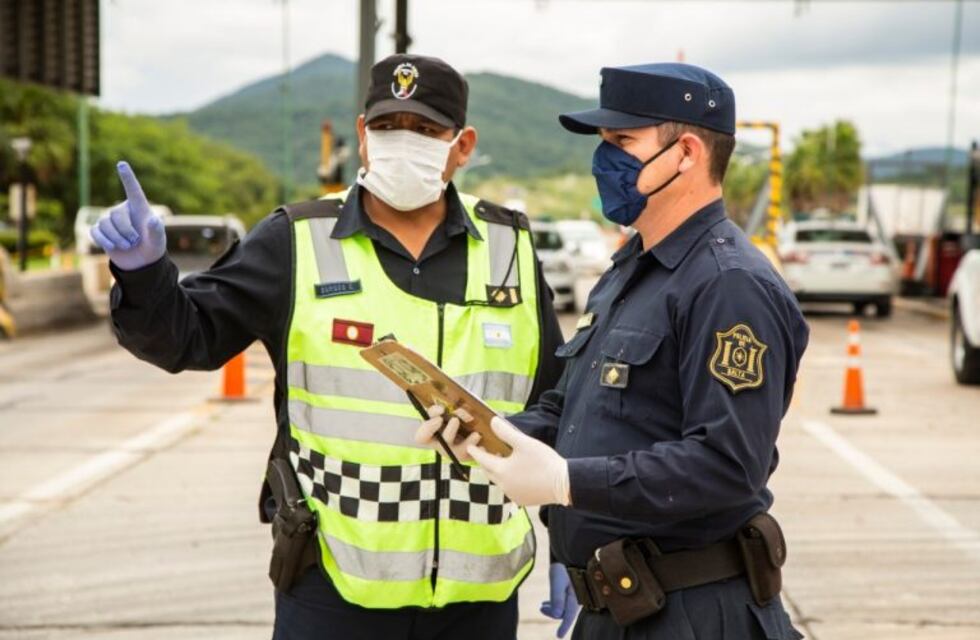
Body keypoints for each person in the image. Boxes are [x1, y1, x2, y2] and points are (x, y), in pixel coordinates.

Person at [90, 53, 567, 640]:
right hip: (333, 589)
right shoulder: (294, 239)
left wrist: (571, 541)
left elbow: (559, 405)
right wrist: (144, 275)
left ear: (461, 145)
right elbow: (187, 337)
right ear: (363, 137)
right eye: (388, 126)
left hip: (481, 595)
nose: (402, 142)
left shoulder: (509, 247)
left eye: (424, 130)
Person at [417, 63, 809, 639]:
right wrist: (490, 432)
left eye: (623, 142)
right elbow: (573, 410)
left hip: (694, 613)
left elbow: (728, 465)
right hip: (621, 609)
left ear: (688, 152)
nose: (605, 161)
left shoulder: (728, 284)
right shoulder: (631, 270)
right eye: (603, 143)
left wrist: (565, 483)